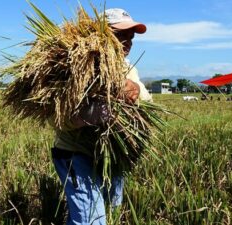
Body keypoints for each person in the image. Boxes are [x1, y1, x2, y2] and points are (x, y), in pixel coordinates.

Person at [51, 8, 151, 225]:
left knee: (110, 208)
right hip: (76, 153)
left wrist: (134, 90)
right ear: (99, 35)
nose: (128, 42)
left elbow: (147, 100)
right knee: (91, 220)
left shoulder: (125, 67)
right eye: (120, 35)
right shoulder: (73, 65)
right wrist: (89, 115)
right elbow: (56, 117)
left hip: (112, 154)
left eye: (130, 37)